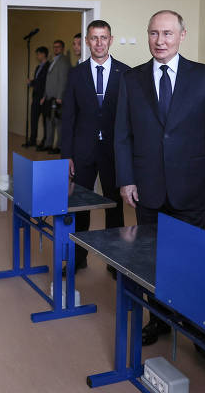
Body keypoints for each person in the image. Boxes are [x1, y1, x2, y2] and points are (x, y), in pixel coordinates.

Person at [115, 9, 205, 346]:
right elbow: (123, 136)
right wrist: (126, 179)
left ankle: (196, 325)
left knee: (192, 259)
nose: (159, 40)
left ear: (182, 35)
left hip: (191, 187)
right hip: (147, 188)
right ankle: (159, 319)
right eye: (153, 33)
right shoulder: (131, 79)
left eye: (167, 33)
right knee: (154, 259)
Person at [61, 21, 129, 277]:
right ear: (87, 41)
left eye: (103, 38)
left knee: (114, 207)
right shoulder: (76, 74)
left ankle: (115, 261)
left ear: (111, 40)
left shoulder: (126, 73)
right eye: (94, 38)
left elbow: (130, 120)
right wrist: (66, 155)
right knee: (80, 206)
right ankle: (78, 257)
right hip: (83, 152)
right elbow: (67, 118)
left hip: (114, 153)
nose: (99, 43)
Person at [39, 39, 70, 153]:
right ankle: (48, 144)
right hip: (48, 97)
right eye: (54, 47)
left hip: (57, 98)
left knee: (58, 123)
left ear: (62, 48)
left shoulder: (64, 61)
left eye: (58, 47)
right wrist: (44, 96)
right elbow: (49, 80)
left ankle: (59, 146)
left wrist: (60, 96)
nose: (56, 49)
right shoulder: (53, 60)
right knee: (48, 122)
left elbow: (63, 80)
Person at [25, 46, 49, 147]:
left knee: (45, 121)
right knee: (33, 119)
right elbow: (37, 81)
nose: (37, 56)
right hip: (35, 96)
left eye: (38, 54)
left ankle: (45, 141)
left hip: (44, 97)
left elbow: (46, 82)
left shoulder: (49, 66)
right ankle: (32, 140)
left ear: (43, 54)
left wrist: (45, 95)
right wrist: (31, 82)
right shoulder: (38, 67)